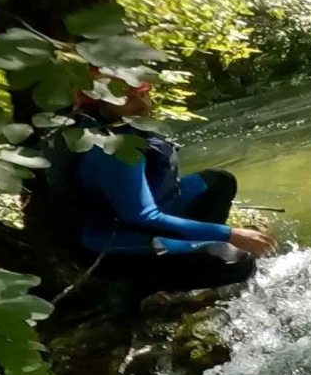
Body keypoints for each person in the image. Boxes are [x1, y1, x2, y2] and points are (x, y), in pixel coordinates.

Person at [41, 70, 276, 305]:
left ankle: (192, 250)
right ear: (101, 104)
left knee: (218, 181)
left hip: (137, 217)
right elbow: (143, 217)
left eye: (144, 95)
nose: (143, 105)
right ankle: (137, 287)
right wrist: (230, 234)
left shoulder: (107, 127)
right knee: (239, 263)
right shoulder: (111, 150)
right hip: (116, 246)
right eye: (130, 99)